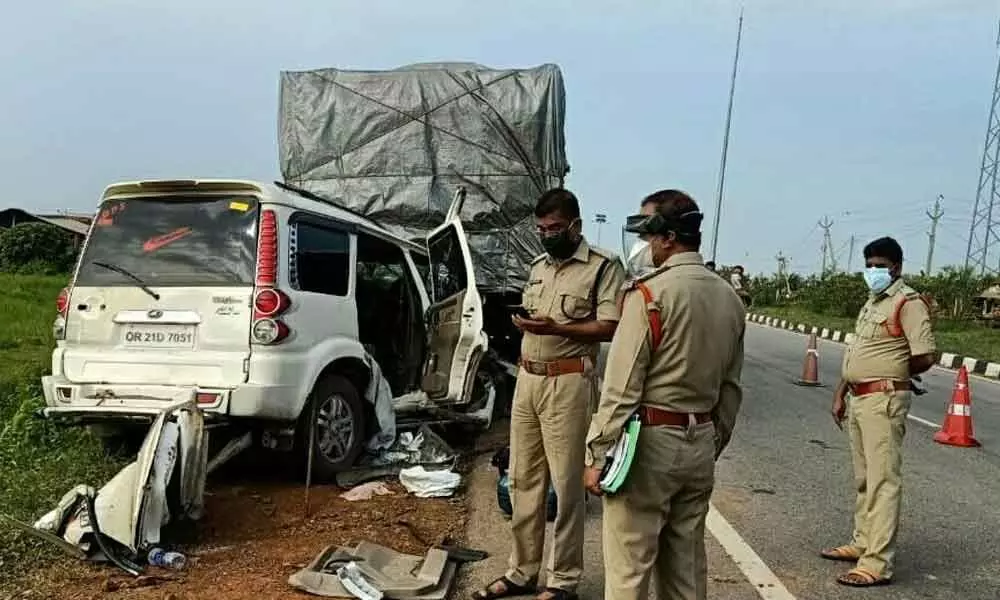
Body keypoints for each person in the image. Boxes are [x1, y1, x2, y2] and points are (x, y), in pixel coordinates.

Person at [584, 189, 746, 600]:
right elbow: (730, 387)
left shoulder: (649, 295)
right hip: (699, 443)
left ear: (668, 237)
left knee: (629, 568)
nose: (644, 245)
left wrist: (595, 454)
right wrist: (713, 441)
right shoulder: (729, 297)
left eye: (647, 232)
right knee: (686, 568)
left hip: (649, 446)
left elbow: (621, 389)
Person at [474, 188, 627, 600]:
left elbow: (611, 326)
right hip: (528, 381)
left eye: (555, 228)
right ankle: (521, 571)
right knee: (524, 480)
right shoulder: (539, 266)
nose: (546, 235)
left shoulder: (603, 266)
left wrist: (557, 329)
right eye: (541, 229)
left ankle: (563, 580)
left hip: (568, 382)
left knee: (567, 483)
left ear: (575, 225)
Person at [823, 236, 938, 587]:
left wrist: (896, 371)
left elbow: (926, 354)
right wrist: (842, 391)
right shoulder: (873, 302)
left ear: (897, 268)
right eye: (869, 265)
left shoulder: (907, 302)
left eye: (880, 266)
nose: (873, 271)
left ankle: (877, 563)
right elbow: (858, 351)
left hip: (883, 399)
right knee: (864, 478)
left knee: (883, 480)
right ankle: (862, 542)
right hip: (859, 397)